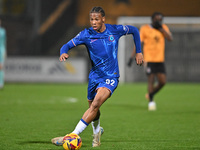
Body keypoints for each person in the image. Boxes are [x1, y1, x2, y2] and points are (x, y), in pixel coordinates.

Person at [51, 6, 143, 147]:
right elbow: (66, 45)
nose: (93, 22)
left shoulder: (114, 30)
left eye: (96, 19)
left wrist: (139, 52)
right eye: (91, 19)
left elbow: (135, 30)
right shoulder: (86, 34)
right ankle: (97, 132)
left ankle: (72, 135)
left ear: (103, 19)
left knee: (95, 104)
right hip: (94, 77)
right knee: (94, 109)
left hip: (111, 76)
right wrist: (63, 52)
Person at [127, 12, 173, 111]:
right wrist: (132, 57)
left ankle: (150, 94)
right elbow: (138, 43)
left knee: (162, 82)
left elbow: (170, 38)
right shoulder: (145, 29)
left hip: (160, 59)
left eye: (160, 19)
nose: (159, 21)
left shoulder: (163, 28)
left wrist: (161, 29)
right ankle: (151, 102)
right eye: (157, 19)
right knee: (151, 80)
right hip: (149, 59)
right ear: (152, 19)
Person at [0, 19, 6, 89]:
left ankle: (1, 82)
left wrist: (5, 51)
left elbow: (4, 42)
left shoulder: (3, 31)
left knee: (1, 66)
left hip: (1, 50)